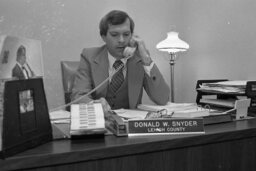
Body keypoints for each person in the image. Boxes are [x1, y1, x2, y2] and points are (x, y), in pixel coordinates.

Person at [71, 10, 170, 112]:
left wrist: (146, 60)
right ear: (103, 37)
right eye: (114, 35)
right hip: (101, 122)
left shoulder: (139, 57)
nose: (121, 40)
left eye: (126, 34)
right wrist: (94, 105)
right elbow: (78, 96)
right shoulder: (89, 56)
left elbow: (162, 99)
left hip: (130, 124)